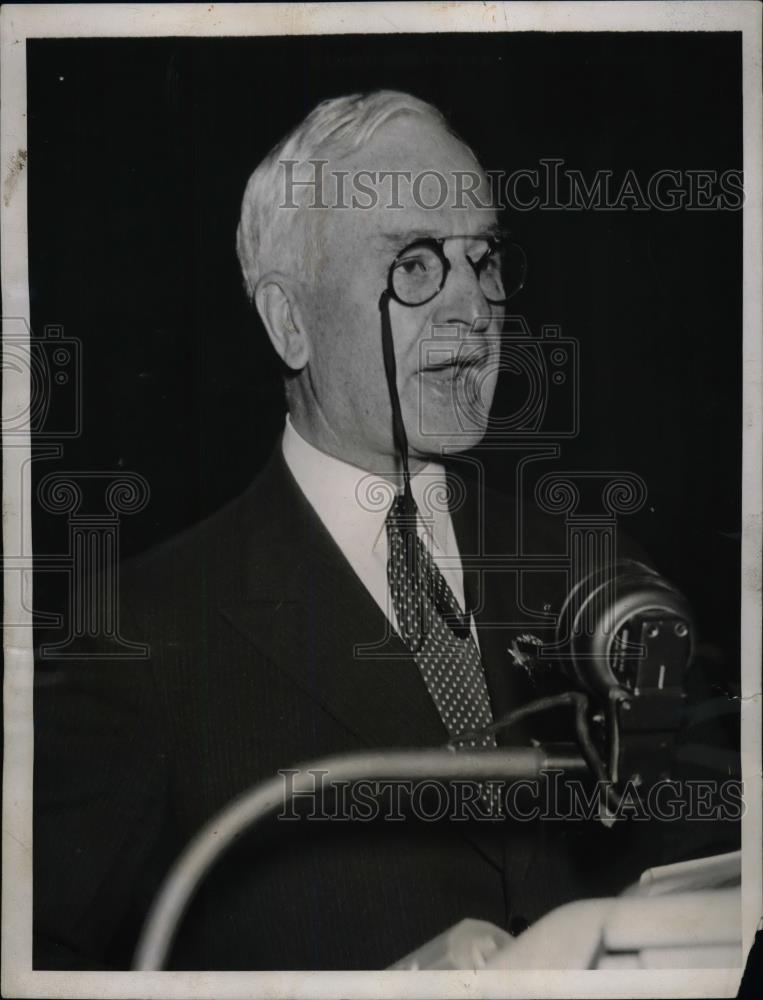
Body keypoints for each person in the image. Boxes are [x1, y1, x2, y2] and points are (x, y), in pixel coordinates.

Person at [33, 91, 737, 972]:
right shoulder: (134, 637)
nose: (473, 308)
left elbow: (719, 884)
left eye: (483, 260)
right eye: (413, 265)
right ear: (289, 321)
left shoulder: (593, 570)